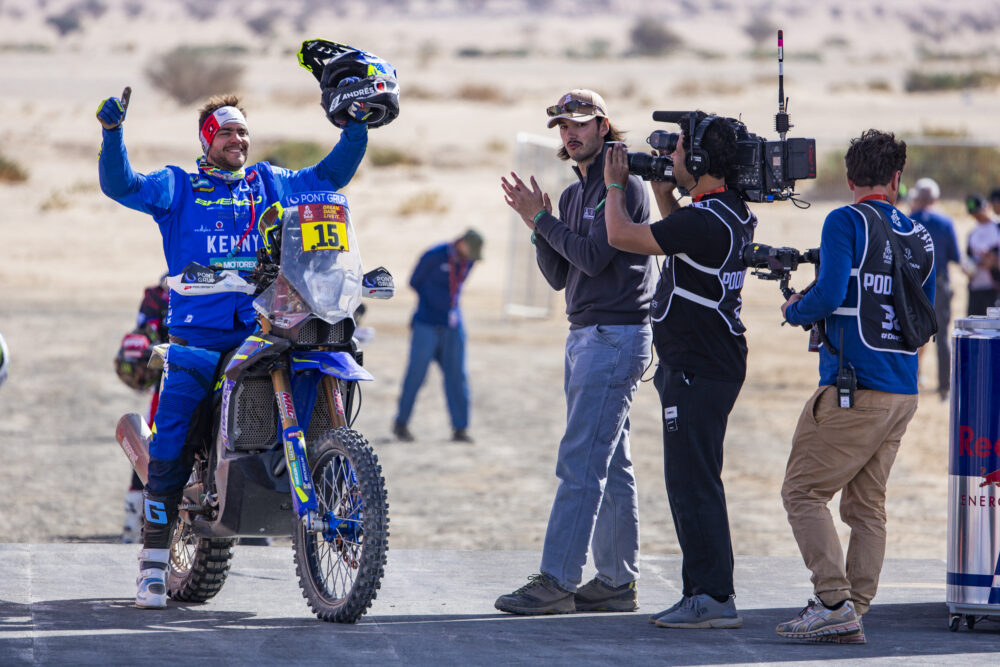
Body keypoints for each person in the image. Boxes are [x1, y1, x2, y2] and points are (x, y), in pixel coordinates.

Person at [97, 86, 369, 609]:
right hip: (197, 339)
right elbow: (121, 186)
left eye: (243, 130)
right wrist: (113, 136)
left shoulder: (268, 181)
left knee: (317, 376)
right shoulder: (177, 186)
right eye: (227, 131)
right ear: (207, 138)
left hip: (263, 327)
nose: (238, 139)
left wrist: (355, 128)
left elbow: (328, 178)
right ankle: (152, 567)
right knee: (173, 436)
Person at [495, 89, 654, 615]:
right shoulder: (572, 194)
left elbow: (591, 257)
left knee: (581, 462)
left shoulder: (624, 186)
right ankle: (614, 582)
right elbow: (561, 274)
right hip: (588, 335)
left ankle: (558, 581)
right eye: (563, 125)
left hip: (613, 336)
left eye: (581, 123)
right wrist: (538, 224)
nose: (570, 133)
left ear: (604, 127)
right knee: (612, 463)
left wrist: (542, 223)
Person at [777, 129, 934, 644]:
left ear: (849, 179)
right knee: (866, 507)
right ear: (896, 179)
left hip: (853, 388)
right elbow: (923, 314)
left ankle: (833, 600)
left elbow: (828, 293)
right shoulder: (918, 234)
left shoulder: (844, 219)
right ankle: (854, 607)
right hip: (902, 389)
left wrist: (793, 309)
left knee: (802, 492)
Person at [603, 111, 756, 629]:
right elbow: (679, 228)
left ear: (700, 160)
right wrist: (664, 188)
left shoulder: (703, 220)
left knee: (692, 485)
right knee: (697, 479)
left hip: (696, 369)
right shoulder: (727, 211)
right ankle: (706, 592)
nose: (670, 157)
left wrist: (614, 186)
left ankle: (712, 596)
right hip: (713, 364)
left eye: (679, 151)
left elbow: (624, 235)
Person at [391, 229, 484, 443]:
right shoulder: (434, 255)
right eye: (472, 251)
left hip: (453, 325)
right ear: (461, 243)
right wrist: (434, 303)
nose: (472, 258)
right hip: (426, 324)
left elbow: (457, 287)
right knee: (416, 375)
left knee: (457, 377)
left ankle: (460, 428)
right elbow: (414, 281)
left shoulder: (469, 261)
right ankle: (401, 423)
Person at [115, 276, 170, 544]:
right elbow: (143, 332)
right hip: (169, 385)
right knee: (153, 450)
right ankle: (132, 523)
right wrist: (144, 346)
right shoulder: (159, 296)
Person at [908, 178, 959, 400]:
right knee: (942, 336)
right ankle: (944, 388)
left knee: (909, 333)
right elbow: (955, 256)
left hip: (912, 286)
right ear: (935, 198)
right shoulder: (945, 222)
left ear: (918, 197)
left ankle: (910, 379)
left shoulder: (908, 221)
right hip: (939, 283)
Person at [963, 194, 1000, 316]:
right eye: (974, 214)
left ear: (987, 207)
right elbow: (967, 258)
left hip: (994, 289)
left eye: (979, 213)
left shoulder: (997, 228)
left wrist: (993, 262)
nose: (977, 217)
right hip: (976, 289)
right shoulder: (973, 233)